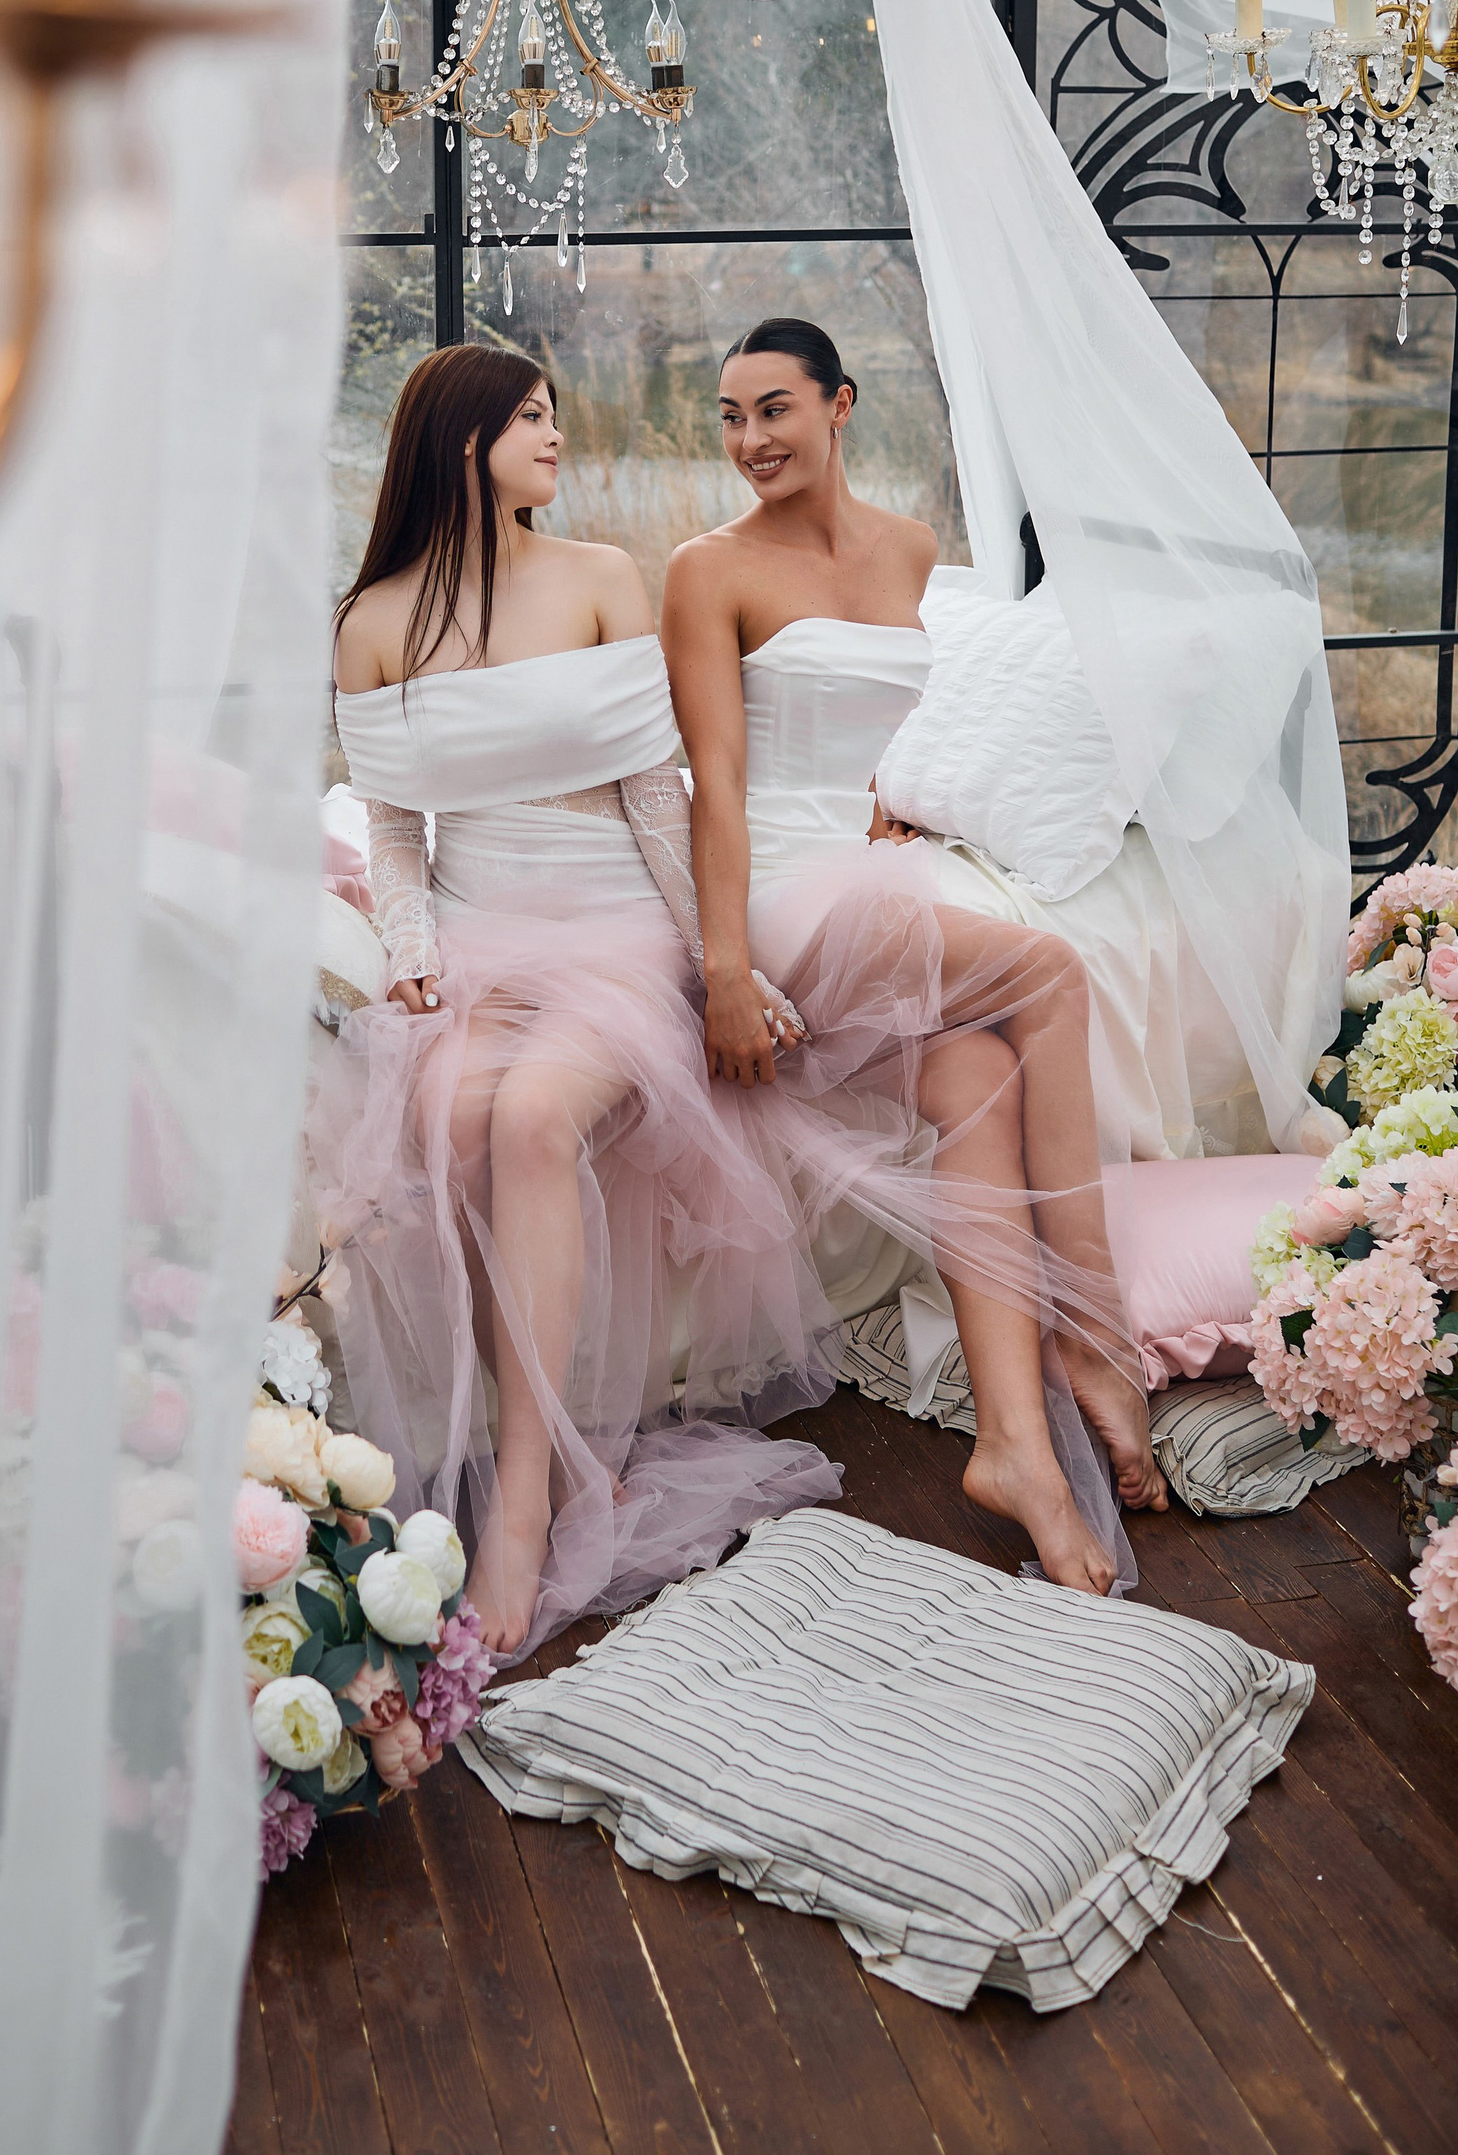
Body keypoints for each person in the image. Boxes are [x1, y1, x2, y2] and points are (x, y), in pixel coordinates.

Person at [309, 344, 837, 1657]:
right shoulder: (372, 619)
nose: (556, 436)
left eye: (553, 415)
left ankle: (527, 1500)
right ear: (462, 438)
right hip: (480, 930)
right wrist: (412, 943)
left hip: (615, 925)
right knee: (459, 1121)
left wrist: (719, 961)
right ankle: (537, 1452)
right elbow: (395, 830)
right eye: (532, 417)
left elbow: (658, 798)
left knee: (537, 1116)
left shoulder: (600, 575)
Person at [663, 316, 1166, 1598]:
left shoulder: (913, 549)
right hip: (770, 897)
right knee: (1049, 973)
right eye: (730, 416)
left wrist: (885, 801)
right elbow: (716, 783)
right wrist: (725, 970)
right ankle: (1093, 1334)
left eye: (774, 409)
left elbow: (856, 723)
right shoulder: (706, 569)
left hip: (855, 865)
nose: (749, 439)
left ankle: (1015, 1451)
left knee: (975, 1083)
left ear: (840, 406)